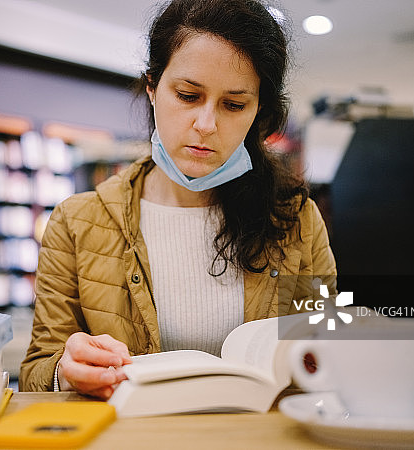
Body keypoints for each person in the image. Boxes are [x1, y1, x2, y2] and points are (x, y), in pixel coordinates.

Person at [20, 0, 337, 399]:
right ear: (152, 87)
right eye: (188, 95)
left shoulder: (295, 219)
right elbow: (35, 370)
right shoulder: (77, 222)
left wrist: (327, 353)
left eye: (234, 105)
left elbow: (325, 346)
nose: (206, 125)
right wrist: (67, 370)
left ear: (258, 111)